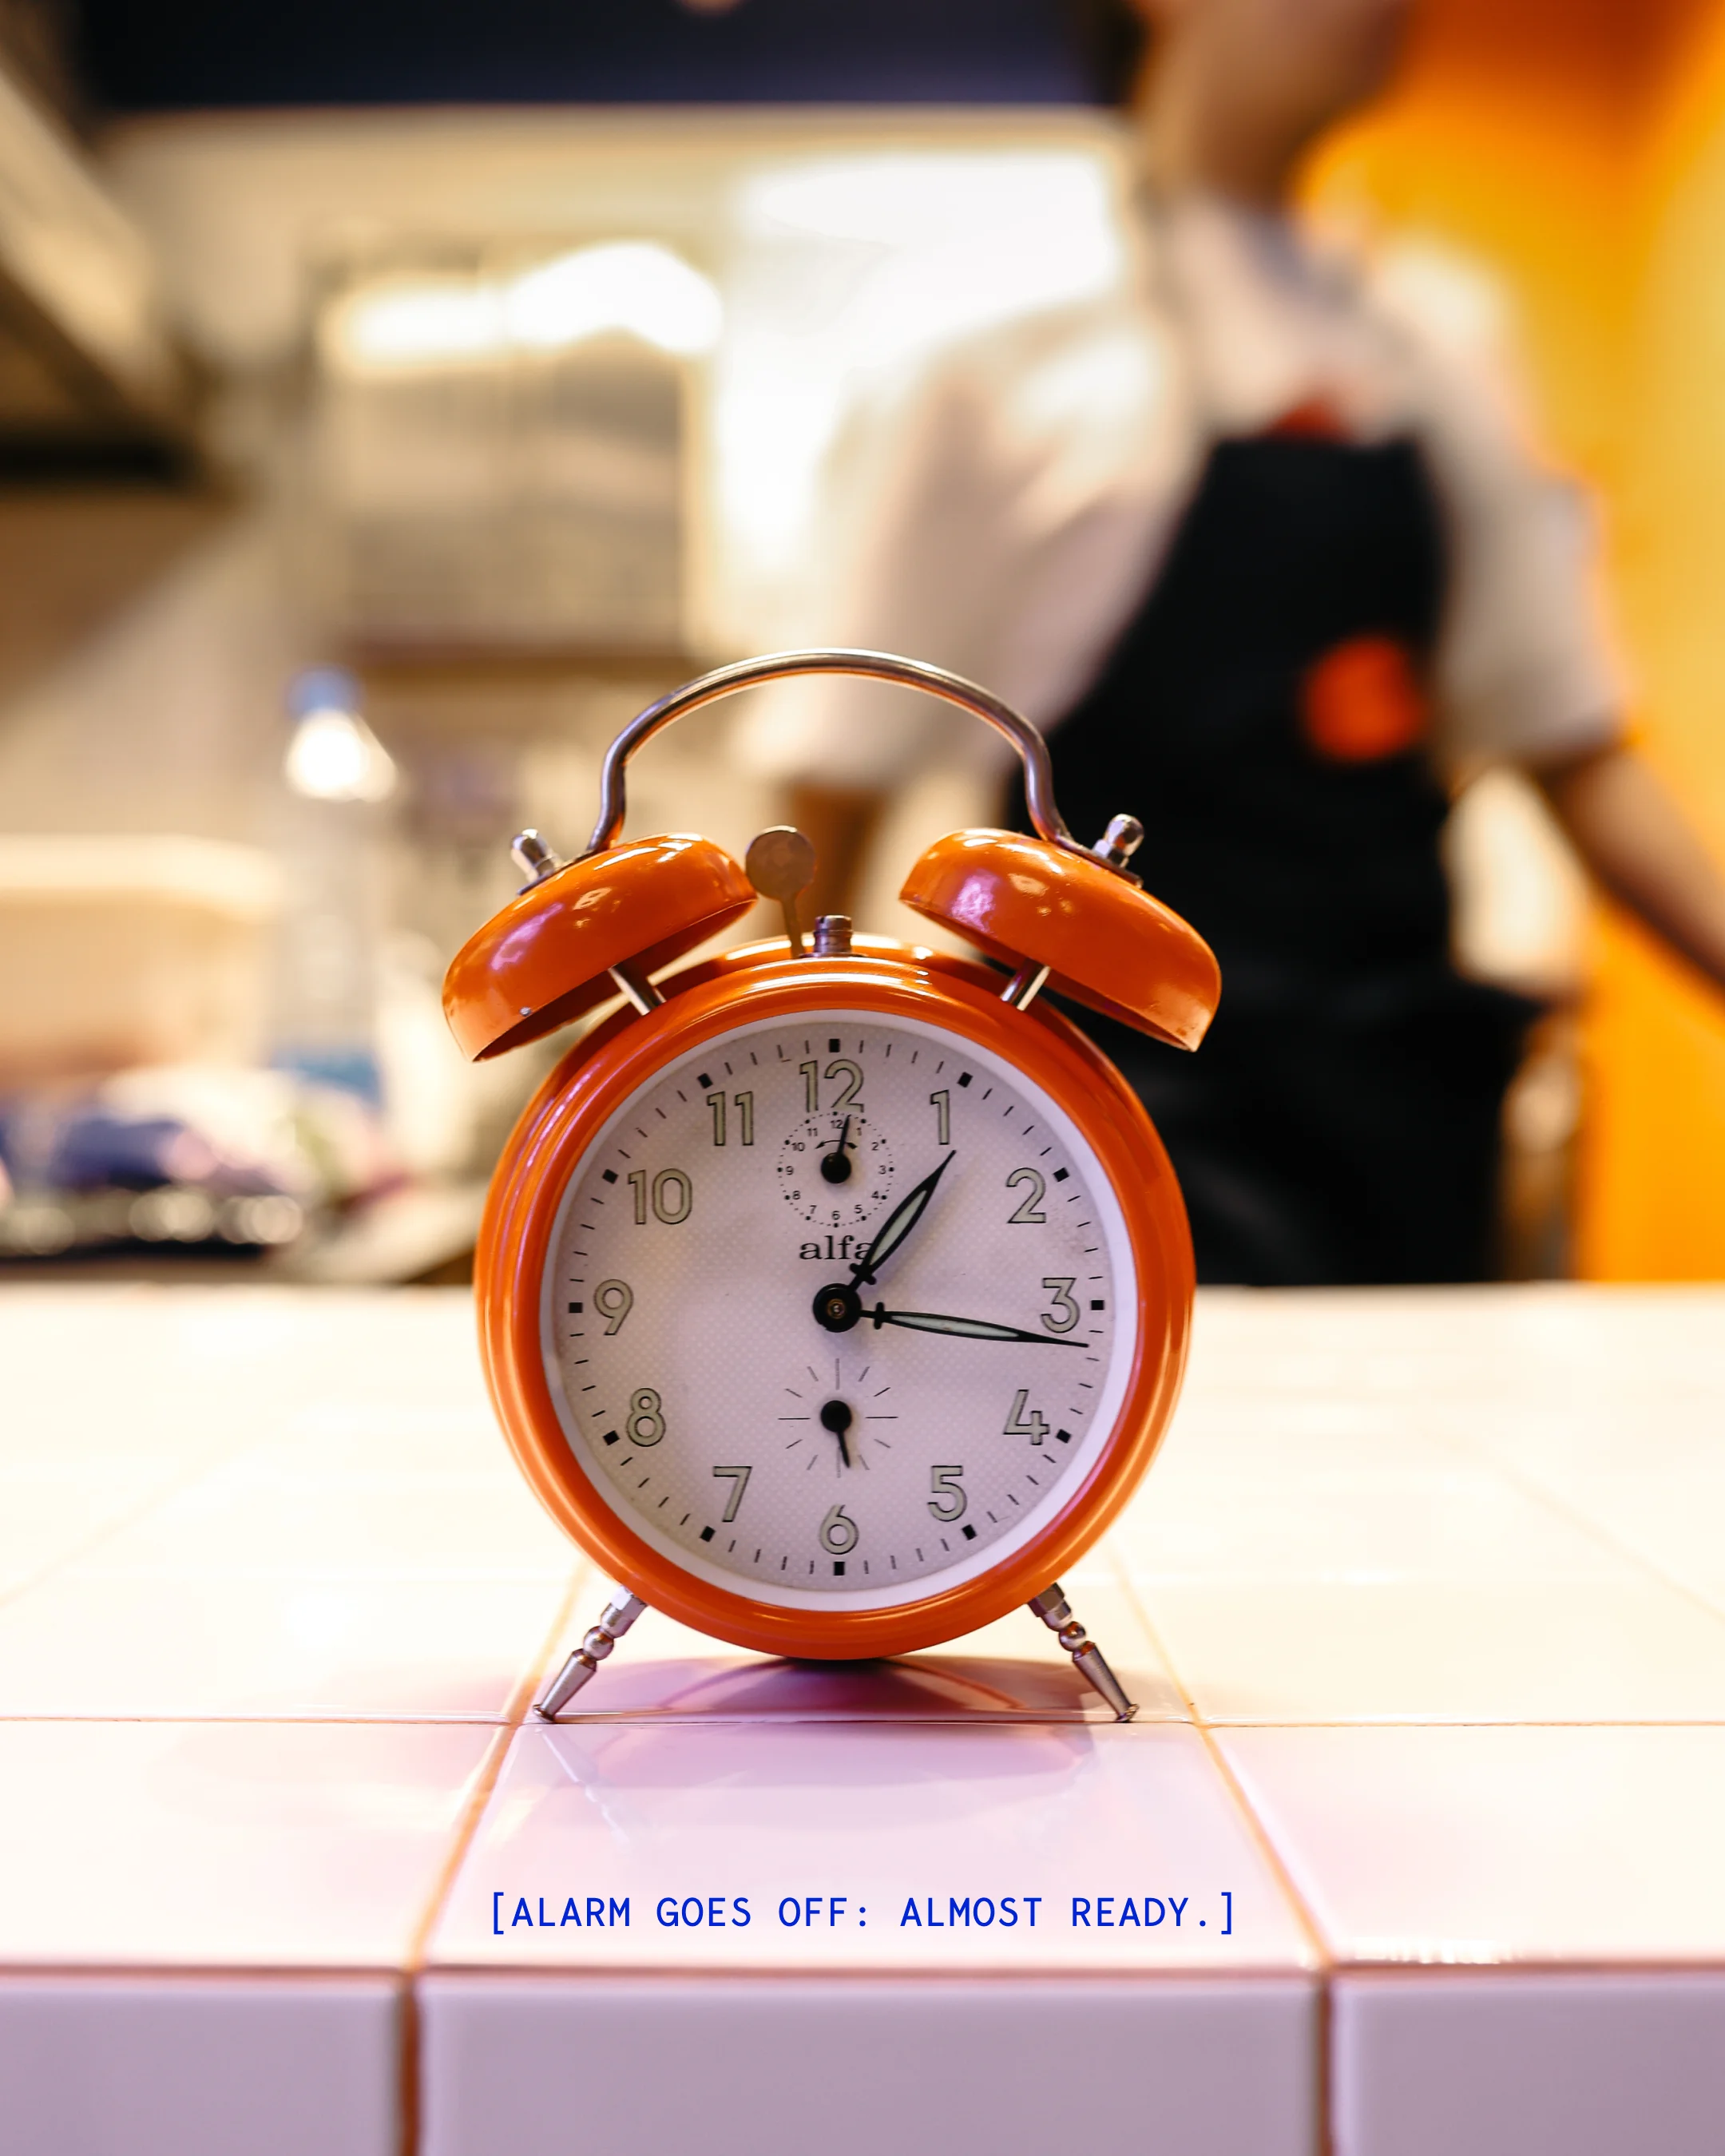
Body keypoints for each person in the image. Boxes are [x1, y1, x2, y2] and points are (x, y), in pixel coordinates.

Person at [736, 0, 1725, 1286]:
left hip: (1396, 1116)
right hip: (1097, 1114)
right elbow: (831, 787)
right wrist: (781, 1134)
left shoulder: (1439, 351)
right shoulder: (998, 364)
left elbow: (1578, 755)